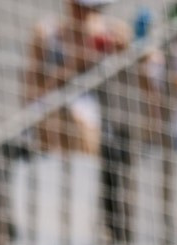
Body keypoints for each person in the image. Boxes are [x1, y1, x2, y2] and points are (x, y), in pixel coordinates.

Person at [24, 0, 130, 157]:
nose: (91, 14)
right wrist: (73, 67)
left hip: (97, 122)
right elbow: (30, 95)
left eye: (97, 8)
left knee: (80, 123)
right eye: (85, 7)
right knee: (63, 117)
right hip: (51, 115)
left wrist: (127, 52)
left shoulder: (114, 34)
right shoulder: (45, 34)